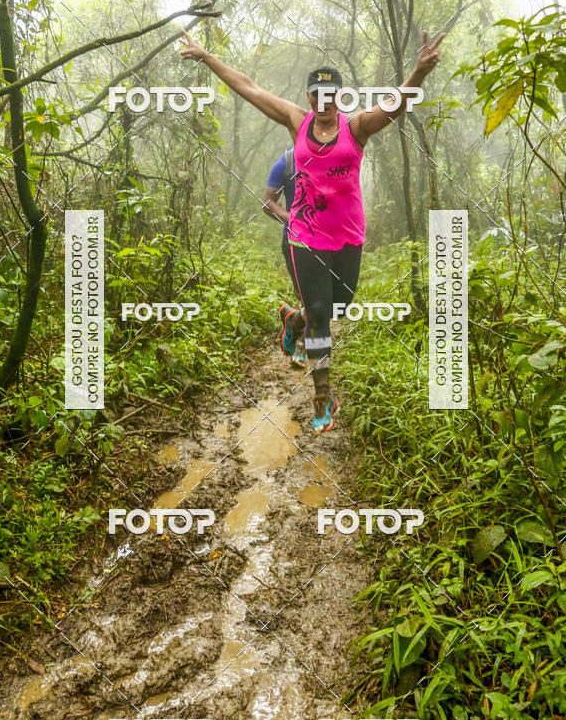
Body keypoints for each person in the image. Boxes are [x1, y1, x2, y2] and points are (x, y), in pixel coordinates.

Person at [180, 29, 445, 432]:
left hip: (349, 237)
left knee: (337, 308)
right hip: (305, 238)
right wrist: (207, 57)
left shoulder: (356, 128)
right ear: (309, 98)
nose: (324, 102)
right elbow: (249, 88)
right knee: (322, 315)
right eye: (317, 96)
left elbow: (394, 105)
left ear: (340, 98)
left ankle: (294, 321)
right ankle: (322, 400)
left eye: (331, 96)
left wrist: (419, 72)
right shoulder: (295, 121)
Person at [262, 146, 307, 368]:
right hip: (295, 242)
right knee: (313, 299)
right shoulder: (288, 161)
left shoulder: (334, 156)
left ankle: (294, 319)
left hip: (330, 241)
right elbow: (268, 202)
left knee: (328, 299)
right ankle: (302, 348)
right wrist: (293, 218)